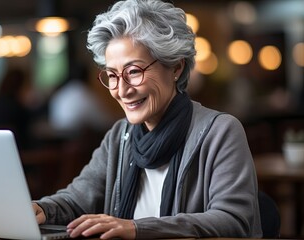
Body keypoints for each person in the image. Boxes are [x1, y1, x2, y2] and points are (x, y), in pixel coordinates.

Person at [32, 0, 262, 239]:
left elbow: (233, 220)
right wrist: (41, 209)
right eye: (112, 75)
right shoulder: (120, 136)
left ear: (175, 68)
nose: (121, 90)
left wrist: (136, 228)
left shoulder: (221, 132)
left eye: (133, 71)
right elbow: (77, 199)